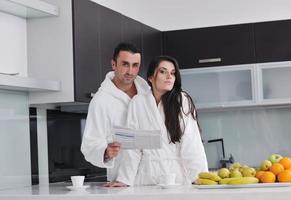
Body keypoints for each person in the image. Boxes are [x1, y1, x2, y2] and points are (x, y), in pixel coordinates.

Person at [107, 55, 208, 186]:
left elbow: (191, 143)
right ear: (150, 77)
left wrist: (201, 178)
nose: (169, 76)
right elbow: (132, 147)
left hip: (175, 179)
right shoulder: (138, 103)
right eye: (163, 71)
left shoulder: (182, 101)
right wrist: (124, 180)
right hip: (146, 178)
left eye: (172, 73)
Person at [81, 43, 150, 182]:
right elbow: (89, 145)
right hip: (121, 180)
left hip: (152, 176)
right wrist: (105, 152)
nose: (130, 71)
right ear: (114, 64)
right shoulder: (101, 101)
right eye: (125, 64)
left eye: (135, 65)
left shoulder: (148, 93)